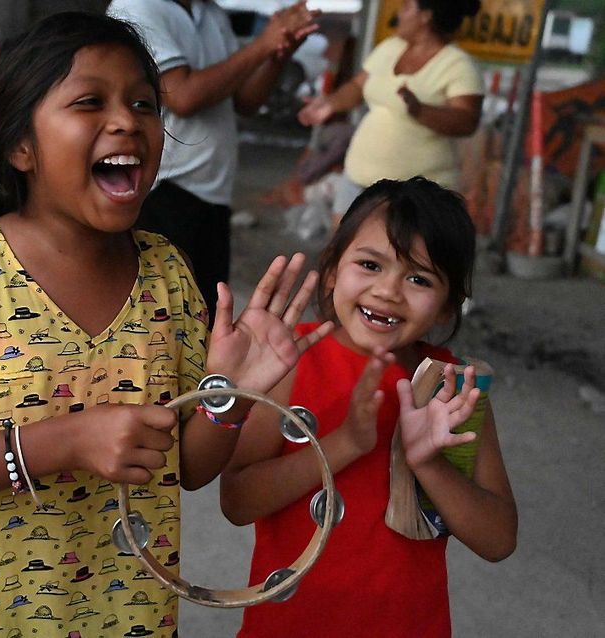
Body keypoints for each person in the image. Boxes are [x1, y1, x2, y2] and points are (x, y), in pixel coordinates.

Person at [0, 12, 333, 637]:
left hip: (129, 620)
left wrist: (227, 395)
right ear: (20, 146)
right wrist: (66, 442)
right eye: (90, 101)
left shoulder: (167, 273)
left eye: (144, 102)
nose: (128, 120)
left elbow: (187, 468)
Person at [221, 177, 517, 637]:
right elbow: (238, 501)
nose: (389, 291)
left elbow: (498, 539)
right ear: (334, 270)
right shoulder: (287, 362)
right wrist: (347, 443)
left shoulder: (452, 386)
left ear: (446, 308)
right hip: (287, 626)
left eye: (419, 278)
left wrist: (429, 466)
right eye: (370, 265)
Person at [106, 0, 318, 320]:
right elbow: (184, 96)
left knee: (204, 311)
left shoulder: (211, 13)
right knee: (160, 314)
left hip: (212, 192)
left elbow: (245, 100)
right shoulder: (138, 7)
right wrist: (263, 43)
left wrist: (280, 50)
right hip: (163, 189)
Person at [298, 0, 484, 225]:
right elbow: (357, 87)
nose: (399, 13)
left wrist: (420, 110)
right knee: (343, 253)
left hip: (416, 194)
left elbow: (467, 121)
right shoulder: (389, 47)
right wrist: (330, 103)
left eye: (407, 7)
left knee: (397, 256)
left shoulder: (457, 65)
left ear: (426, 15)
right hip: (358, 177)